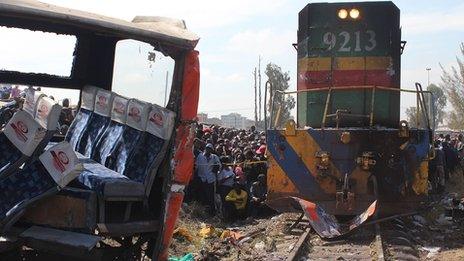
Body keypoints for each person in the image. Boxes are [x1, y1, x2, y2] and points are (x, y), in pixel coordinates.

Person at [195, 143, 221, 214]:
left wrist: (216, 168)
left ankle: (213, 211)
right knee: (203, 195)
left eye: (210, 149)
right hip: (202, 178)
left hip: (211, 179)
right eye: (207, 148)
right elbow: (196, 166)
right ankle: (204, 211)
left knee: (211, 196)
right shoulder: (200, 156)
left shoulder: (214, 157)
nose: (208, 150)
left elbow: (219, 166)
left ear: (211, 150)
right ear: (205, 149)